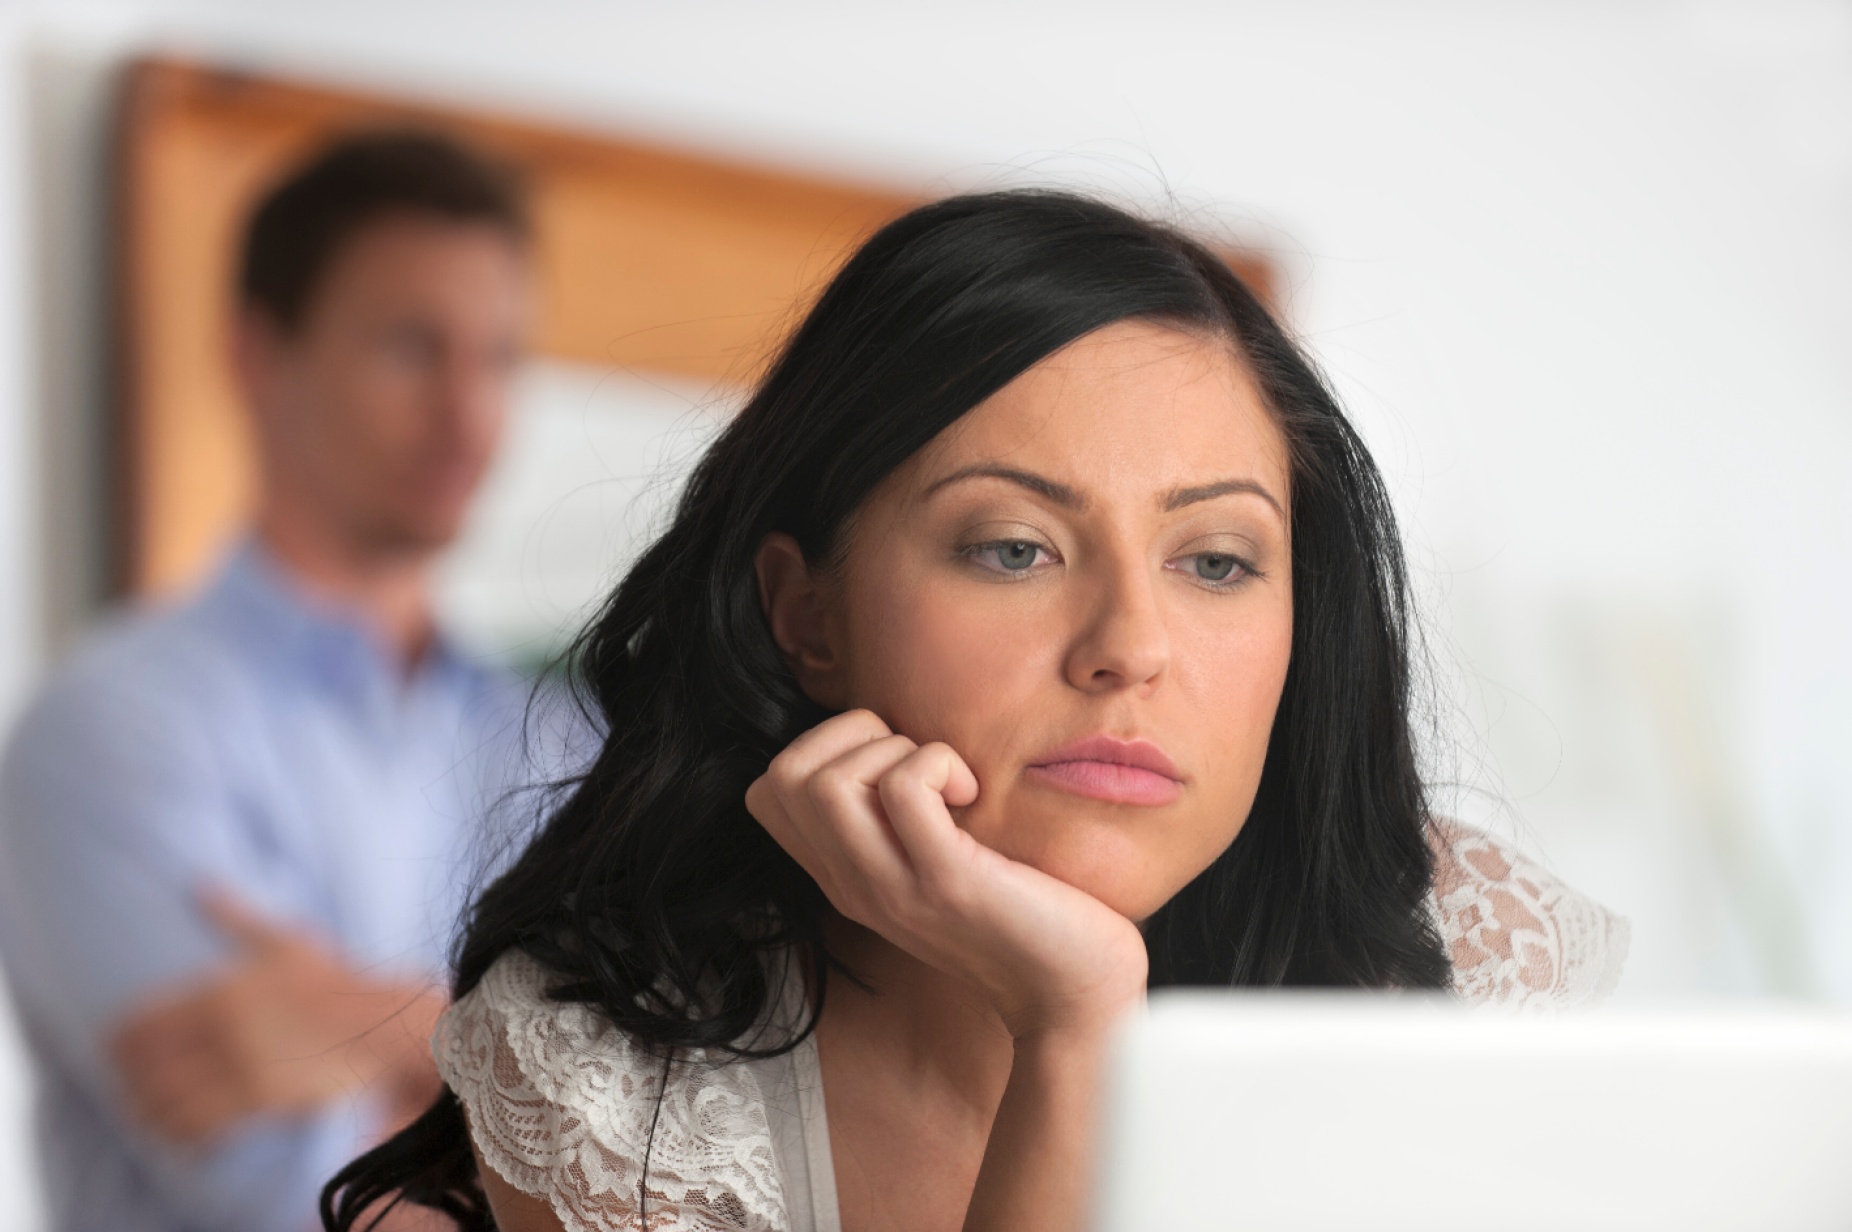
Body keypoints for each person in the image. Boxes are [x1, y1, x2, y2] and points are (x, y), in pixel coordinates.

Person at [325, 190, 1630, 1232]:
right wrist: (1075, 1025)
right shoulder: (618, 1094)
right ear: (808, 616)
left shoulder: (1468, 970)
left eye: (1217, 561)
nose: (1130, 649)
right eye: (1014, 547)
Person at [0, 131, 544, 1232]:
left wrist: (396, 1032)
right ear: (259, 355)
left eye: (499, 358)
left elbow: (706, 1119)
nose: (467, 413)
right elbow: (301, 1201)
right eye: (410, 346)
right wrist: (549, 1096)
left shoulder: (564, 743)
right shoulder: (112, 732)